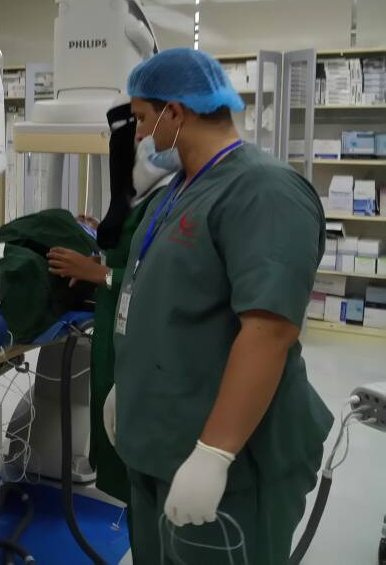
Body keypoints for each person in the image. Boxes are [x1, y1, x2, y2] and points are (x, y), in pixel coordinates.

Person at [106, 48, 332, 564]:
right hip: (161, 445)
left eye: (141, 118)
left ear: (175, 112)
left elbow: (269, 331)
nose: (138, 135)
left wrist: (215, 453)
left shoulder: (264, 190)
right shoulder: (177, 190)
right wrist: (131, 386)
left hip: (233, 465)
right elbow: (161, 297)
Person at [46, 101, 178, 511]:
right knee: (113, 428)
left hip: (143, 336)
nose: (137, 135)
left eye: (142, 121)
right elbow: (130, 250)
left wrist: (97, 272)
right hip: (113, 324)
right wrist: (100, 243)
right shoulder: (140, 195)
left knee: (137, 452)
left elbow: (163, 280)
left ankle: (142, 514)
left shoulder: (173, 197)